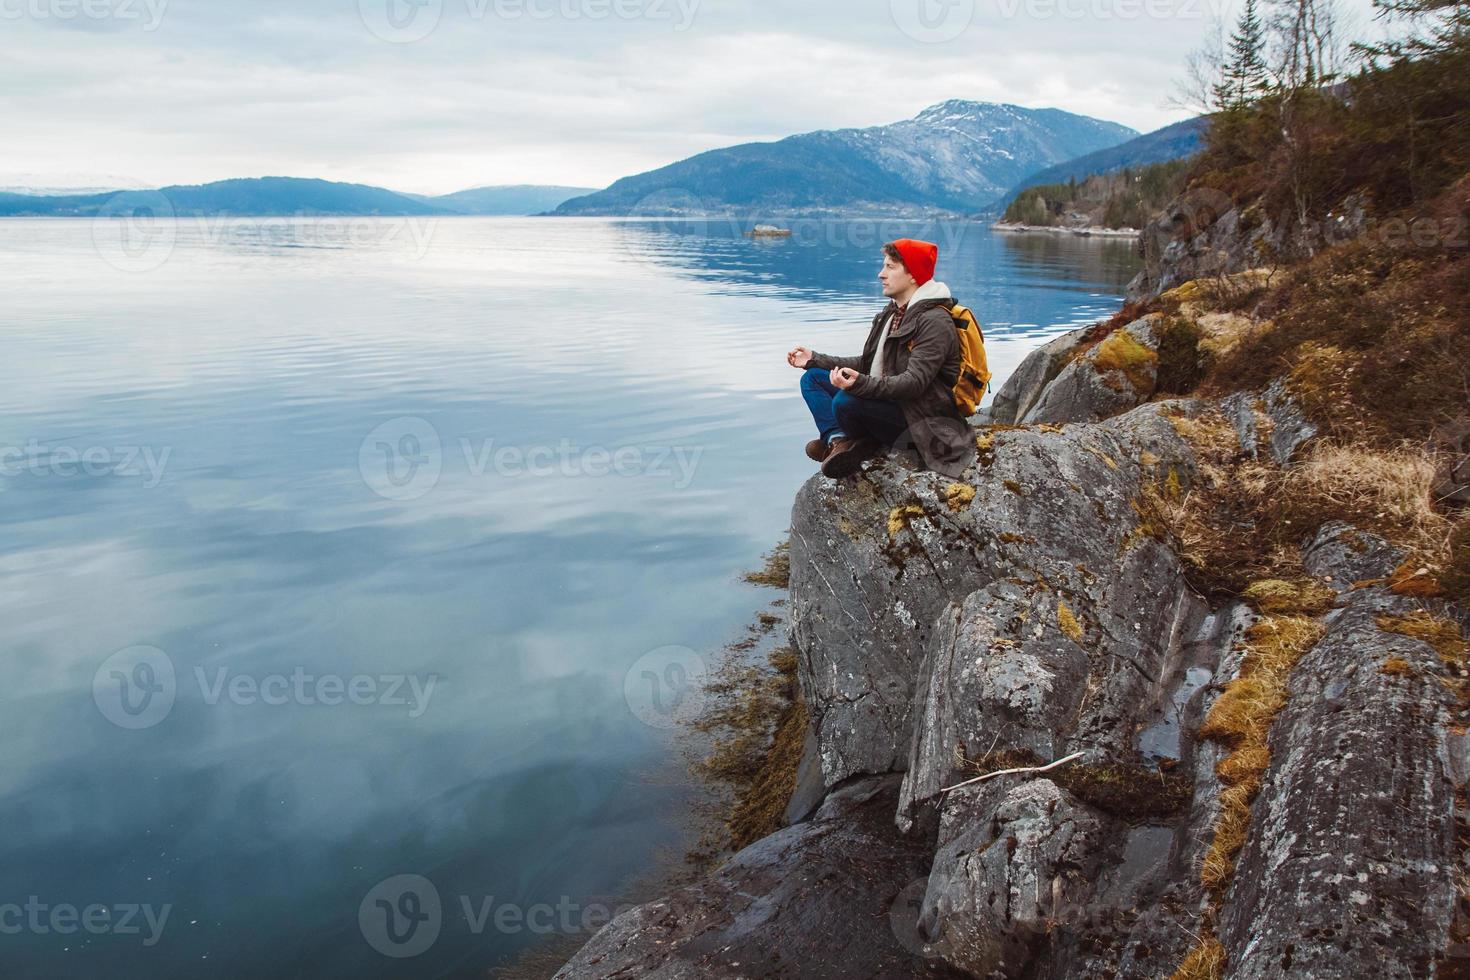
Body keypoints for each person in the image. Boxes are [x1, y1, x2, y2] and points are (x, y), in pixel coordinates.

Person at [787, 238, 977, 479]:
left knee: (845, 402)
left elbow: (914, 382)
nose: (881, 274)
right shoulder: (892, 313)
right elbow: (867, 363)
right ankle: (838, 440)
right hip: (892, 405)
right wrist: (815, 359)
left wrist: (859, 385)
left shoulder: (934, 321)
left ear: (913, 275)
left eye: (890, 267)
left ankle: (858, 442)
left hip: (922, 421)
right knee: (813, 379)